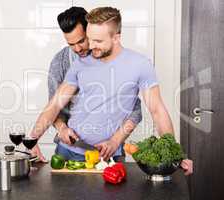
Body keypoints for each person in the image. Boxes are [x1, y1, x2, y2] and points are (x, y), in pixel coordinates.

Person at [32, 7, 193, 175]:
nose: (90, 47)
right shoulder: (80, 63)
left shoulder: (140, 64)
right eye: (90, 39)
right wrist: (33, 139)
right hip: (70, 150)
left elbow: (157, 111)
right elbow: (55, 103)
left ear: (116, 38)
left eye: (97, 41)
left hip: (109, 156)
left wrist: (175, 154)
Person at [33, 7, 142, 162]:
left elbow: (135, 110)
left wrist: (115, 141)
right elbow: (54, 106)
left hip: (109, 153)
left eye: (82, 41)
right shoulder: (61, 62)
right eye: (71, 44)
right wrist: (61, 128)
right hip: (68, 150)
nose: (77, 49)